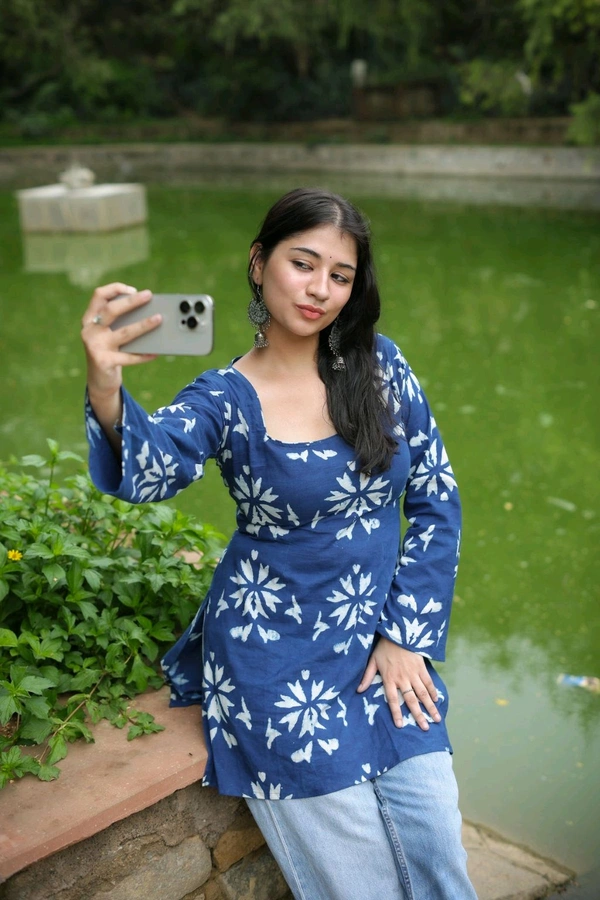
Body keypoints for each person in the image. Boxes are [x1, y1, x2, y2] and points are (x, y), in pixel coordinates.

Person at [82, 188, 478, 900]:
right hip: (275, 667)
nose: (320, 289)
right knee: (360, 889)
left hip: (381, 648)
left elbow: (436, 499)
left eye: (340, 275)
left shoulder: (380, 366)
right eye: (303, 263)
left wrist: (404, 636)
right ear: (259, 262)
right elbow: (151, 469)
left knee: (441, 860)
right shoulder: (224, 397)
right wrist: (106, 386)